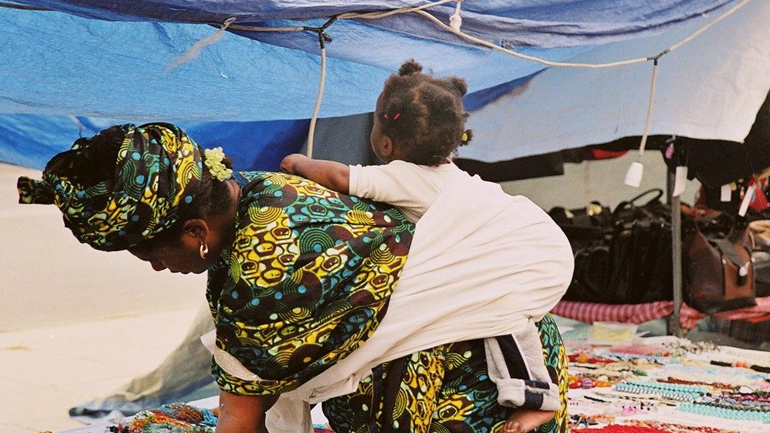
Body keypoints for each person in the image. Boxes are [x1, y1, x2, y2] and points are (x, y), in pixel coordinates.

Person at [18, 122, 572, 433]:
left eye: (150, 256)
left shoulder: (258, 283)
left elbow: (241, 421)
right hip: (523, 353)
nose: (159, 268)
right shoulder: (261, 188)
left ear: (194, 231)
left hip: (459, 400)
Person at [281, 59, 569, 433]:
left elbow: (340, 176)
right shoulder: (455, 177)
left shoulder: (402, 176)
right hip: (537, 248)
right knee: (511, 322)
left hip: (518, 250)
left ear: (385, 142)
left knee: (499, 315)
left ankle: (532, 399)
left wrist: (299, 161)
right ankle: (537, 397)